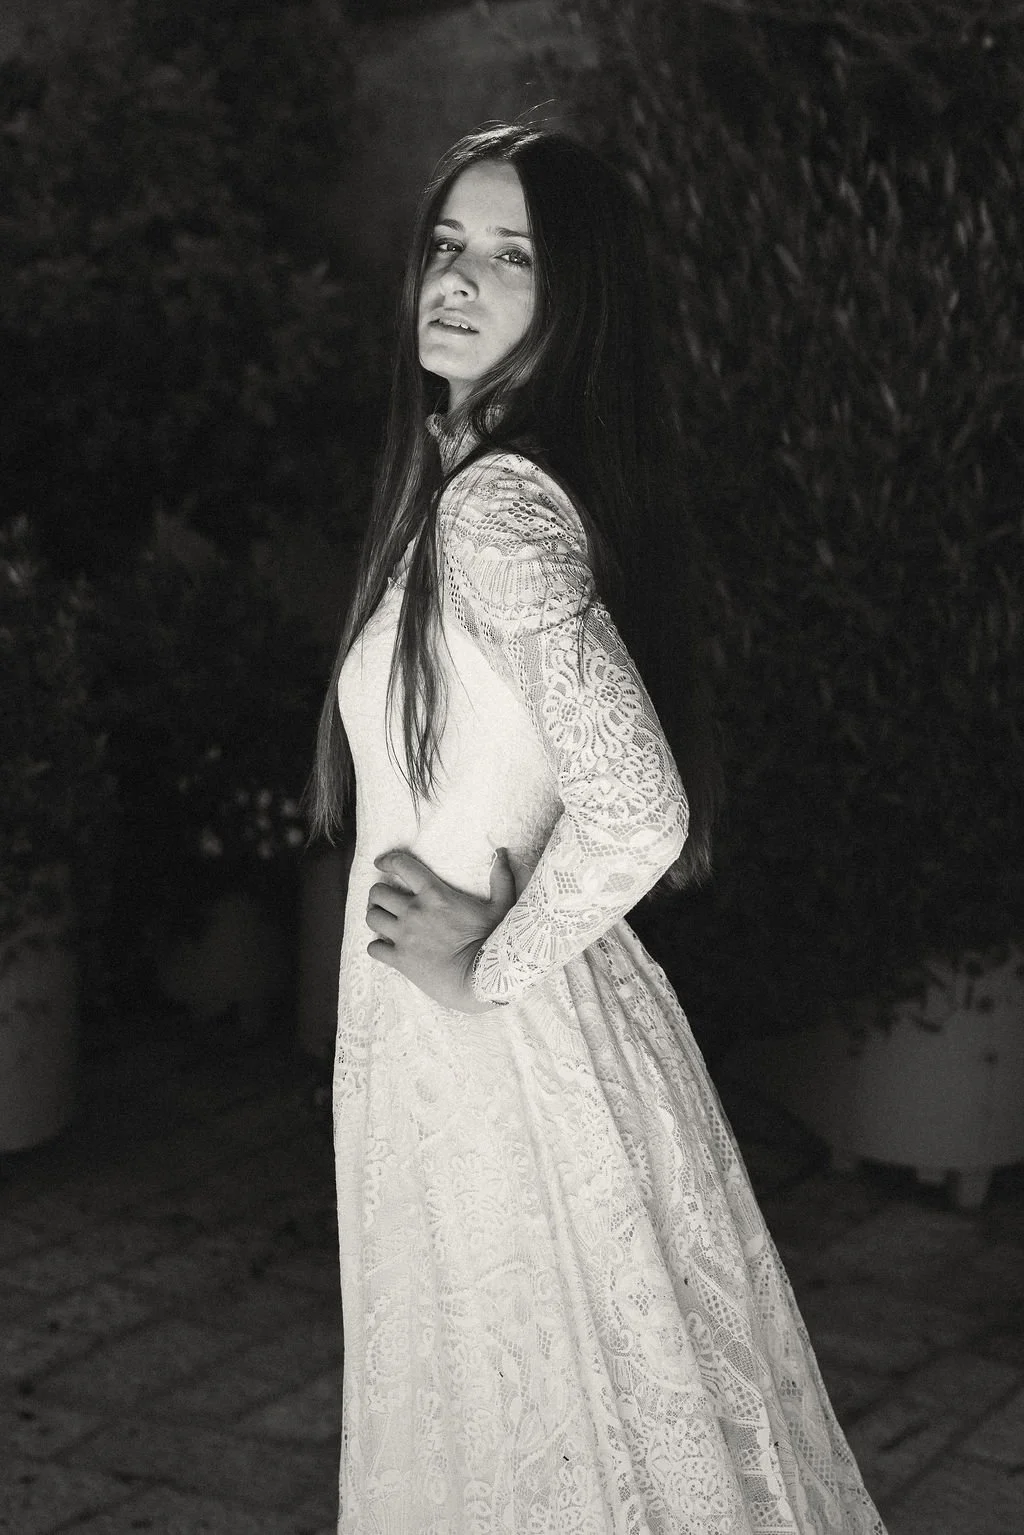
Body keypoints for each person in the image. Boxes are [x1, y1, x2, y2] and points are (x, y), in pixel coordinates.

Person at [310, 124, 886, 1534]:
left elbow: (641, 807)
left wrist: (484, 964)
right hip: (465, 1046)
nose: (461, 279)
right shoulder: (469, 487)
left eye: (515, 258)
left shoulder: (499, 508)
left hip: (492, 1049)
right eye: (448, 245)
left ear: (579, 304)